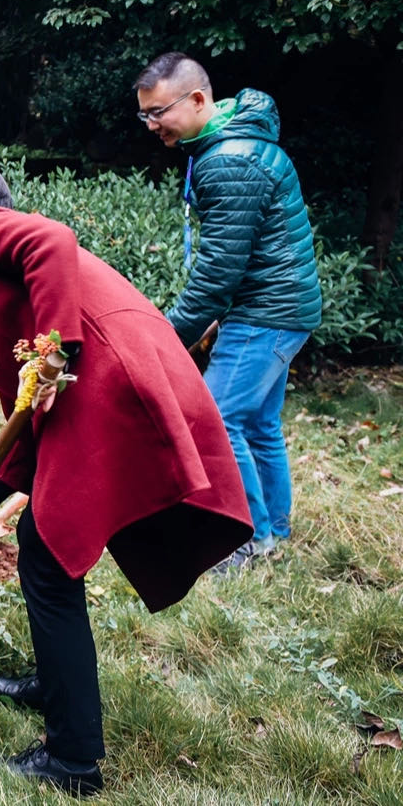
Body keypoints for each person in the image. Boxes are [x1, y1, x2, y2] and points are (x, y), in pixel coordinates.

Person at [0, 160, 251, 797]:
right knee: (44, 547)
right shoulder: (7, 277)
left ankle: (72, 760)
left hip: (110, 384)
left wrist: (55, 349)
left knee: (48, 557)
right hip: (118, 380)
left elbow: (51, 240)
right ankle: (53, 684)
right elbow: (28, 420)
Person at [135, 53, 322, 563]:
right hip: (282, 310)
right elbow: (234, 258)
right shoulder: (234, 143)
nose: (152, 125)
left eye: (159, 112)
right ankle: (273, 534)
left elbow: (216, 276)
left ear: (198, 100)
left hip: (266, 314)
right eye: (145, 114)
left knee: (217, 422)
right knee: (258, 424)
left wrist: (165, 340)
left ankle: (244, 540)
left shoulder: (227, 160)